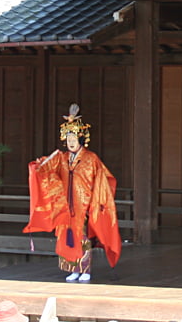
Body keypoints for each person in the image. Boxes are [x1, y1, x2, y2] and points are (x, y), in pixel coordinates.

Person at [25, 103, 123, 282]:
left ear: (81, 139)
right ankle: (73, 269)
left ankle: (85, 270)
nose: (71, 142)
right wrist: (39, 166)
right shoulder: (61, 158)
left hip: (83, 206)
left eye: (74, 138)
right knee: (66, 238)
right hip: (65, 206)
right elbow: (46, 170)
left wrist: (96, 202)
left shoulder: (91, 159)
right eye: (68, 138)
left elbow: (103, 180)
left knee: (82, 238)